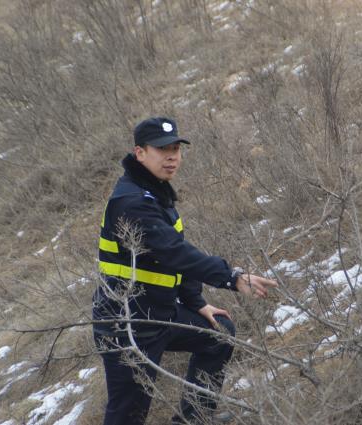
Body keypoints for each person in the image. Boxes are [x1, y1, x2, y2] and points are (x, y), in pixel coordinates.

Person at [92, 117, 278, 425]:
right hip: (127, 325)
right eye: (163, 149)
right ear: (140, 153)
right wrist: (232, 277)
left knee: (218, 335)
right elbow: (175, 253)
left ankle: (196, 419)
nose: (172, 156)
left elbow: (174, 252)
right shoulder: (131, 202)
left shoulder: (155, 192)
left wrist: (196, 302)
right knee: (127, 415)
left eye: (176, 148)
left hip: (160, 314)